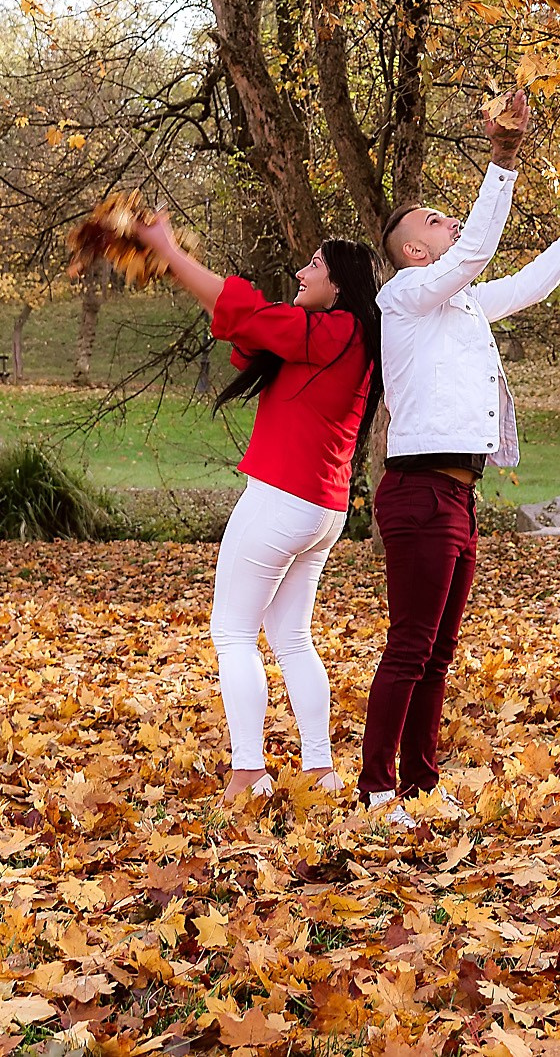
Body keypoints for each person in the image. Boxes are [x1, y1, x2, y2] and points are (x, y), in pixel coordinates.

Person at [359, 91, 560, 821]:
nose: (448, 221)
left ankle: (419, 785)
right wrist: (502, 159)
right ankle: (377, 791)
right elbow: (476, 250)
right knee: (410, 646)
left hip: (457, 496)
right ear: (416, 252)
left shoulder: (465, 304)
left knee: (438, 651)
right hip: (418, 492)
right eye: (433, 220)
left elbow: (531, 283)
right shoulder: (406, 295)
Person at [136, 212, 381, 801]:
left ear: (340, 284)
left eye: (314, 265)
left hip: (282, 498)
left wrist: (170, 252)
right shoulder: (346, 340)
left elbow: (243, 311)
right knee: (291, 638)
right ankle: (320, 769)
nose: (301, 273)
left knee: (233, 632)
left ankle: (248, 772)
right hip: (322, 509)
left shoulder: (336, 331)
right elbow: (246, 326)